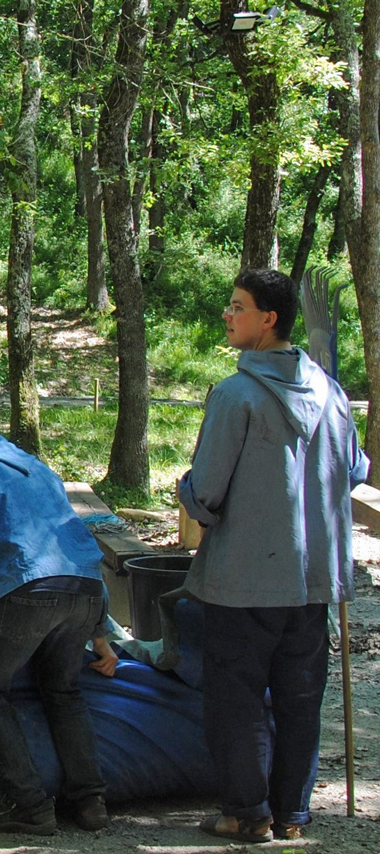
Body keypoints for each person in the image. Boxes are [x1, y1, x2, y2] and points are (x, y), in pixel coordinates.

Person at [178, 268, 369, 844]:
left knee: (235, 699)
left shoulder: (236, 394)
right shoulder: (331, 393)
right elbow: (356, 470)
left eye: (237, 306)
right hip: (315, 578)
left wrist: (187, 490)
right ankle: (292, 813)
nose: (227, 315)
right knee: (300, 698)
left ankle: (247, 813)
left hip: (244, 580)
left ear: (269, 319)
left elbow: (207, 492)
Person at [0, 403, 116, 836]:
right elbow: (75, 537)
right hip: (86, 591)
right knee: (62, 688)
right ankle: (90, 802)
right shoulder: (38, 469)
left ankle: (30, 805)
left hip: (30, 591)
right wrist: (101, 633)